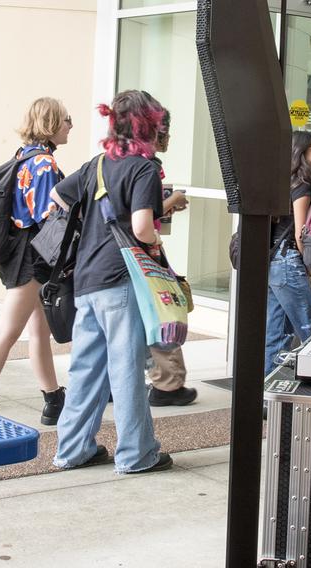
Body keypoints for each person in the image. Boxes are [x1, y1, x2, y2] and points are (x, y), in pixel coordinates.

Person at [50, 90, 171, 473]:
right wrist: (156, 238)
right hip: (121, 280)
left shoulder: (98, 164)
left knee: (85, 370)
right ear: (148, 125)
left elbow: (58, 194)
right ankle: (136, 455)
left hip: (87, 279)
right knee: (126, 369)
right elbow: (141, 227)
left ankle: (71, 450)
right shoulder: (144, 169)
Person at [0, 98, 72, 424]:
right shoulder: (44, 165)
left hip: (22, 252)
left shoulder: (23, 157)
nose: (71, 124)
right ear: (51, 124)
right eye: (67, 119)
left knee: (39, 330)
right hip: (33, 256)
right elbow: (47, 216)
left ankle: (54, 399)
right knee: (8, 332)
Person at [145, 107, 198, 406]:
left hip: (132, 252)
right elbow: (140, 220)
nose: (168, 137)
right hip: (145, 252)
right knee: (166, 311)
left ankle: (164, 382)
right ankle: (168, 384)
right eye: (165, 130)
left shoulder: (111, 162)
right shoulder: (145, 166)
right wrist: (170, 202)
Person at [264, 131, 311, 375]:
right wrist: (308, 267)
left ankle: (267, 393)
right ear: (301, 154)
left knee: (276, 335)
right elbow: (301, 233)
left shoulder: (280, 182)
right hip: (288, 263)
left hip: (273, 262)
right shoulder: (302, 186)